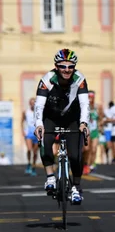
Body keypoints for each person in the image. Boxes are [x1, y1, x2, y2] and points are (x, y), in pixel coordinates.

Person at [34, 48, 90, 204]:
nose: (67, 70)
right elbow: (39, 105)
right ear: (56, 66)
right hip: (51, 117)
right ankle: (50, 177)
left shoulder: (79, 78)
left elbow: (85, 103)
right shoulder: (47, 79)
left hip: (72, 118)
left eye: (71, 66)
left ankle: (76, 188)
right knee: (45, 141)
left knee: (75, 156)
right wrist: (39, 124)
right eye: (63, 66)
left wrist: (84, 123)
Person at [82, 91, 102, 174]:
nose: (91, 99)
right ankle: (85, 163)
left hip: (95, 131)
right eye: (89, 97)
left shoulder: (98, 107)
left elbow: (101, 118)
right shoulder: (84, 106)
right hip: (87, 130)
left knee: (94, 149)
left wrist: (100, 125)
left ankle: (90, 165)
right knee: (86, 149)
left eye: (92, 97)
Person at [22, 98, 39, 176]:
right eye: (31, 103)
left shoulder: (38, 112)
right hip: (29, 133)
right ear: (29, 104)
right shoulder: (26, 112)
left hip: (36, 134)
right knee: (29, 149)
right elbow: (21, 121)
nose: (33, 104)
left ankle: (33, 167)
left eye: (34, 103)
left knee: (35, 153)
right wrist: (23, 131)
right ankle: (29, 163)